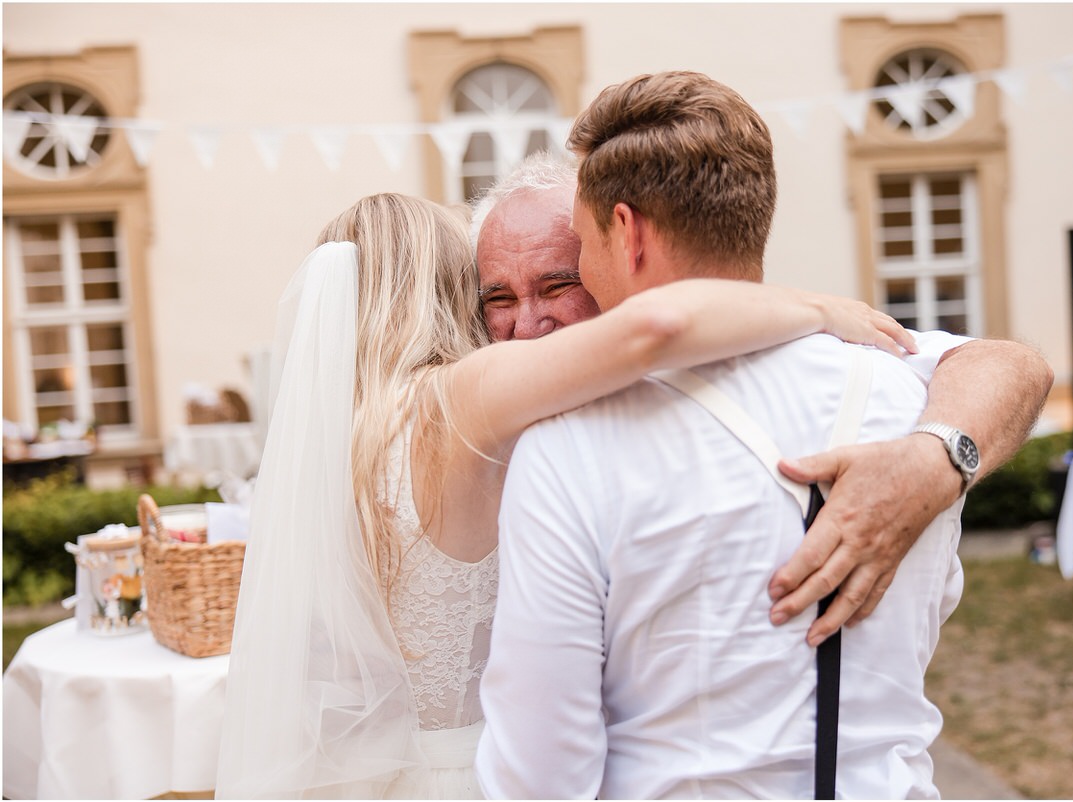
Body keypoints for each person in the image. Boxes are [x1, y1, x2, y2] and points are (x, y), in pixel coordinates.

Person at [214, 193, 916, 798]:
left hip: (370, 776)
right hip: (470, 776)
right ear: (440, 290)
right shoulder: (450, 402)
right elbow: (654, 330)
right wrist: (814, 306)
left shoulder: (335, 438)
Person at [474, 71, 1053, 799]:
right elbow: (1018, 365)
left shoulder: (569, 450)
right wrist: (940, 453)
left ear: (627, 233)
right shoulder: (912, 396)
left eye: (582, 249)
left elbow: (540, 777)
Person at [471, 151, 1053, 643]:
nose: (527, 325)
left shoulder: (732, 357)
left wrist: (933, 459)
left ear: (611, 256)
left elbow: (1015, 365)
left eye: (557, 285)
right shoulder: (469, 400)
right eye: (499, 299)